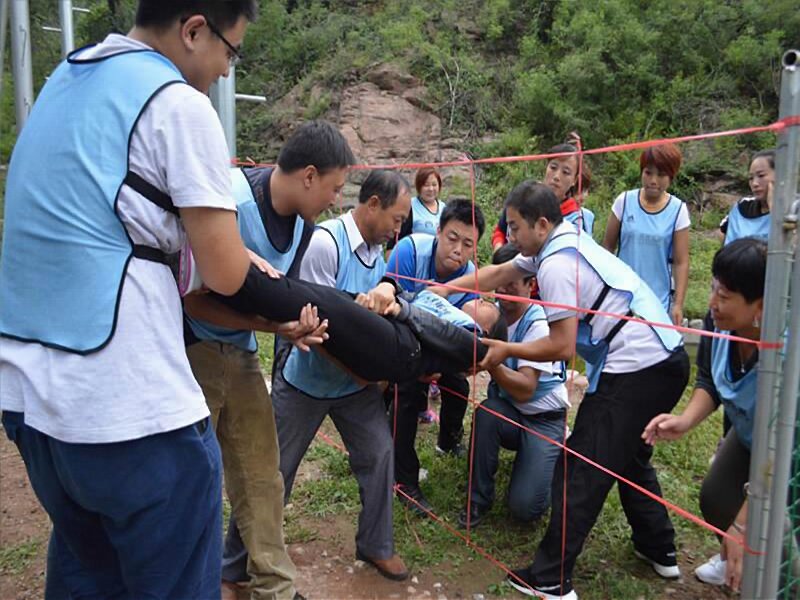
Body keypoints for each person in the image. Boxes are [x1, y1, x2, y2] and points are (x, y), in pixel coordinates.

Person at [0, 2, 257, 598]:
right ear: (195, 30)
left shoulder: (64, 81)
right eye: (230, 50)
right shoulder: (177, 104)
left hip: (32, 405)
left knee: (88, 568)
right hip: (128, 409)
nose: (224, 70)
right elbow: (224, 272)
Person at [430, 181, 689, 600]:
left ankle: (551, 578)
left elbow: (562, 346)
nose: (509, 237)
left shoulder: (555, 264)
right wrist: (446, 290)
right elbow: (500, 271)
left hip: (641, 365)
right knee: (627, 454)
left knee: (581, 466)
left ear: (542, 224)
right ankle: (657, 546)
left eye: (514, 228)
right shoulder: (559, 244)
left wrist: (502, 350)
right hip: (663, 358)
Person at [181, 120, 354, 600]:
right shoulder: (231, 203)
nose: (336, 200)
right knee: (191, 479)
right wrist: (271, 328)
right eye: (335, 188)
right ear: (309, 176)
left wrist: (295, 325)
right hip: (192, 350)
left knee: (262, 475)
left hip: (239, 352)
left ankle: (274, 588)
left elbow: (278, 294)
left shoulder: (302, 228)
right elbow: (192, 298)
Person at [263, 170, 414, 582]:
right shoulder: (327, 244)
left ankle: (376, 545)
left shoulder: (375, 251)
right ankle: (239, 562)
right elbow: (314, 326)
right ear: (372, 205)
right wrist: (372, 371)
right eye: (396, 218)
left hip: (353, 386)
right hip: (308, 381)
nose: (398, 228)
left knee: (380, 455)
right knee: (273, 473)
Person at [642, 238, 767, 593]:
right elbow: (710, 380)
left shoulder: (785, 356)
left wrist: (743, 526)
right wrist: (684, 421)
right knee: (716, 497)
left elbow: (782, 450)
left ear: (759, 305)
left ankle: (774, 577)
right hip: (748, 437)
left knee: (775, 532)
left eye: (725, 295)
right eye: (713, 288)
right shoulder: (719, 328)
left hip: (789, 457)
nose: (712, 303)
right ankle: (737, 561)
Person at [385, 199, 486, 515]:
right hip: (397, 343)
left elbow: (463, 334)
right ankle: (404, 481)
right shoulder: (410, 252)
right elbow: (388, 311)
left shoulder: (470, 279)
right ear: (438, 232)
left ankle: (449, 441)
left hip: (439, 353)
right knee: (407, 397)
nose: (458, 249)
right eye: (453, 238)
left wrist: (439, 368)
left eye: (468, 244)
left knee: (459, 390)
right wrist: (417, 368)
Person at [458, 244, 569, 529]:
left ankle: (555, 449)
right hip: (509, 409)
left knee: (525, 509)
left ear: (531, 284)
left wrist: (492, 362)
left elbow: (525, 389)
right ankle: (477, 502)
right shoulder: (492, 314)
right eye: (500, 287)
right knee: (486, 413)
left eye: (512, 286)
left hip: (543, 419)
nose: (504, 295)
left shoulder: (539, 323)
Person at [602, 143, 690, 325]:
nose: (653, 180)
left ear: (671, 177)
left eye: (661, 175)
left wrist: (678, 305)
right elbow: (607, 248)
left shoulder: (678, 211)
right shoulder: (624, 202)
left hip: (657, 301)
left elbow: (681, 262)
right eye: (648, 173)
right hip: (621, 297)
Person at [492, 143, 595, 250]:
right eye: (553, 167)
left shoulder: (574, 221)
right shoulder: (525, 195)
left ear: (574, 180)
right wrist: (499, 250)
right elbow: (500, 229)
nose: (556, 176)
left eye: (565, 172)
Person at [719, 149, 775, 245]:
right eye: (751, 178)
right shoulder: (742, 208)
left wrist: (775, 209)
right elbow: (723, 234)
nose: (754, 183)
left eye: (761, 175)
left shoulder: (794, 209)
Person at [388, 167, 446, 247]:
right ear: (419, 187)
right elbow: (394, 242)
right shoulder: (409, 207)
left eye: (434, 185)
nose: (431, 189)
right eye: (426, 185)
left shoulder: (444, 208)